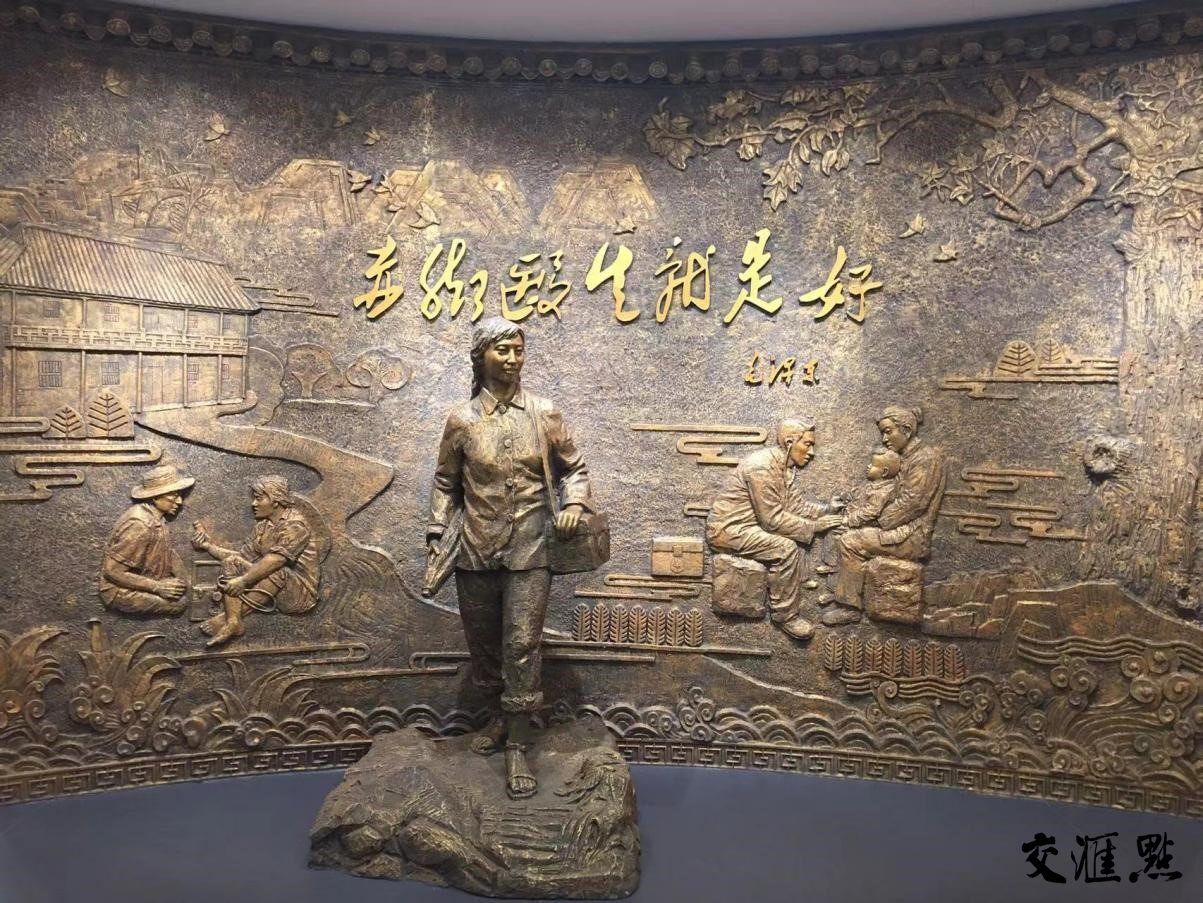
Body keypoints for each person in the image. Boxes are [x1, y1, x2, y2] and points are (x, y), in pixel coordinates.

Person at [425, 317, 594, 800]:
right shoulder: (461, 420)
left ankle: (518, 745)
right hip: (476, 550)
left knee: (521, 644)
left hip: (530, 549)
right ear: (481, 356)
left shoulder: (545, 413)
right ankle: (500, 718)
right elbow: (445, 482)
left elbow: (575, 469)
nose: (513, 359)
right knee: (484, 647)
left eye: (518, 350)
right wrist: (437, 529)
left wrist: (575, 504)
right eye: (503, 350)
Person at [705, 419, 845, 641]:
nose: (812, 452)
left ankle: (794, 585)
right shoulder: (762, 467)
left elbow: (795, 506)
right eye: (808, 444)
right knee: (785, 548)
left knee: (791, 537)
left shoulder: (783, 466)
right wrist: (814, 527)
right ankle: (785, 616)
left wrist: (827, 510)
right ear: (790, 442)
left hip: (749, 527)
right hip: (729, 530)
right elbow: (772, 520)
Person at [822, 405, 946, 626]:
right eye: (883, 433)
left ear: (906, 430)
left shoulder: (926, 459)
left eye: (888, 431)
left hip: (909, 536)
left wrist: (875, 521)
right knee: (845, 532)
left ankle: (850, 607)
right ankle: (845, 589)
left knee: (851, 542)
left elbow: (913, 504)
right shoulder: (905, 457)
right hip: (895, 529)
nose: (884, 438)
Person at [190, 474, 320, 647]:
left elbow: (276, 560)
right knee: (232, 562)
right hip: (273, 589)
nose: (253, 504)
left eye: (259, 498)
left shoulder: (295, 525)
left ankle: (225, 618)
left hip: (299, 595)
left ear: (275, 501)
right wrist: (208, 546)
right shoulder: (262, 527)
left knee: (277, 569)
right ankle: (233, 622)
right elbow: (241, 557)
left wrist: (244, 581)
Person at [98, 464, 194, 615]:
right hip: (121, 591)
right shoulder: (139, 525)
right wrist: (157, 587)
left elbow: (168, 553)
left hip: (147, 582)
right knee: (180, 605)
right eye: (174, 496)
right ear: (155, 497)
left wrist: (186, 583)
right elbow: (112, 571)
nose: (180, 501)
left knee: (192, 597)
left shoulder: (157, 520)